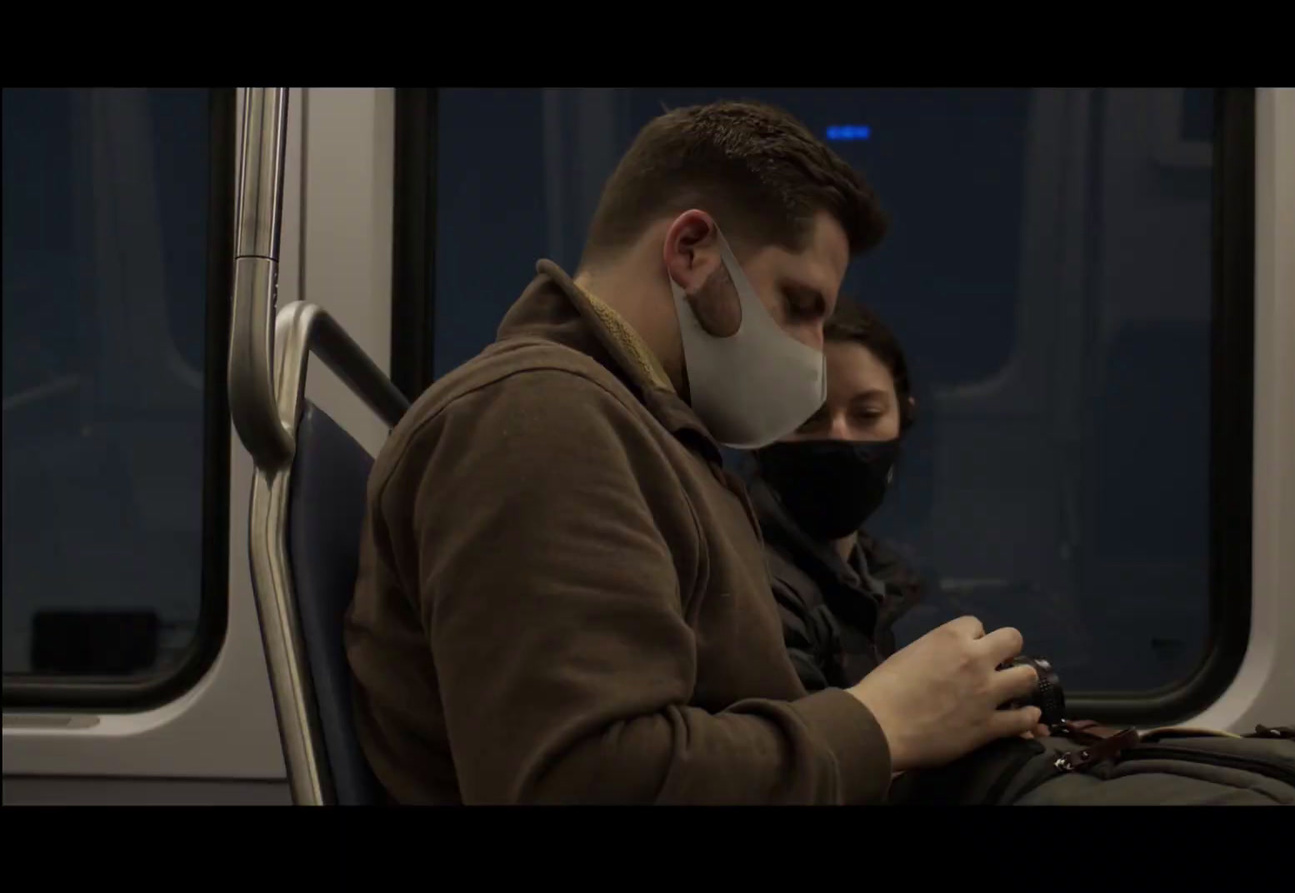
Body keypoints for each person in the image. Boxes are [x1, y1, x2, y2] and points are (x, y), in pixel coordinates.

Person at [345, 100, 1049, 805]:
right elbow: (583, 779)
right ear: (691, 252)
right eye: (799, 305)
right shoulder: (537, 417)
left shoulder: (655, 439)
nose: (813, 355)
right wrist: (878, 723)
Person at [747, 295, 923, 692]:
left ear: (904, 417)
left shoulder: (886, 581)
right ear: (760, 428)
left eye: (867, 415)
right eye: (810, 415)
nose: (840, 435)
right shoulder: (747, 582)